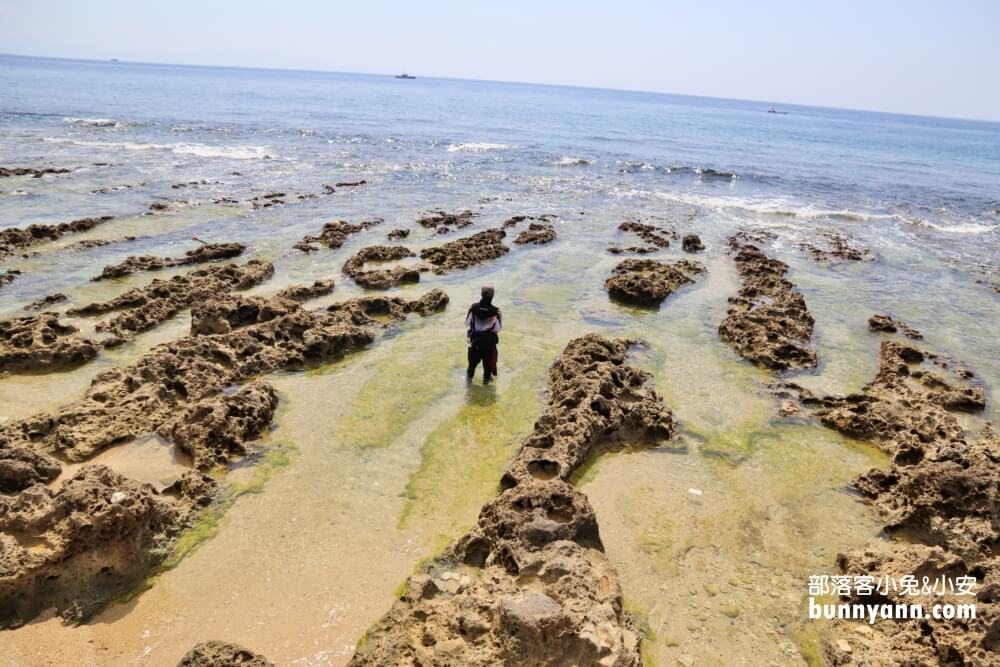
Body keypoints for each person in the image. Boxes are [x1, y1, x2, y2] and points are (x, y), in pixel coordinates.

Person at [466, 285, 502, 383]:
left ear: (481, 294)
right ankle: (486, 391)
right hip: (489, 345)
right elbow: (497, 329)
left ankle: (468, 390)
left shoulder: (473, 308)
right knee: (487, 372)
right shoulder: (496, 311)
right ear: (493, 295)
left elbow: (468, 323)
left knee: (471, 368)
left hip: (475, 343)